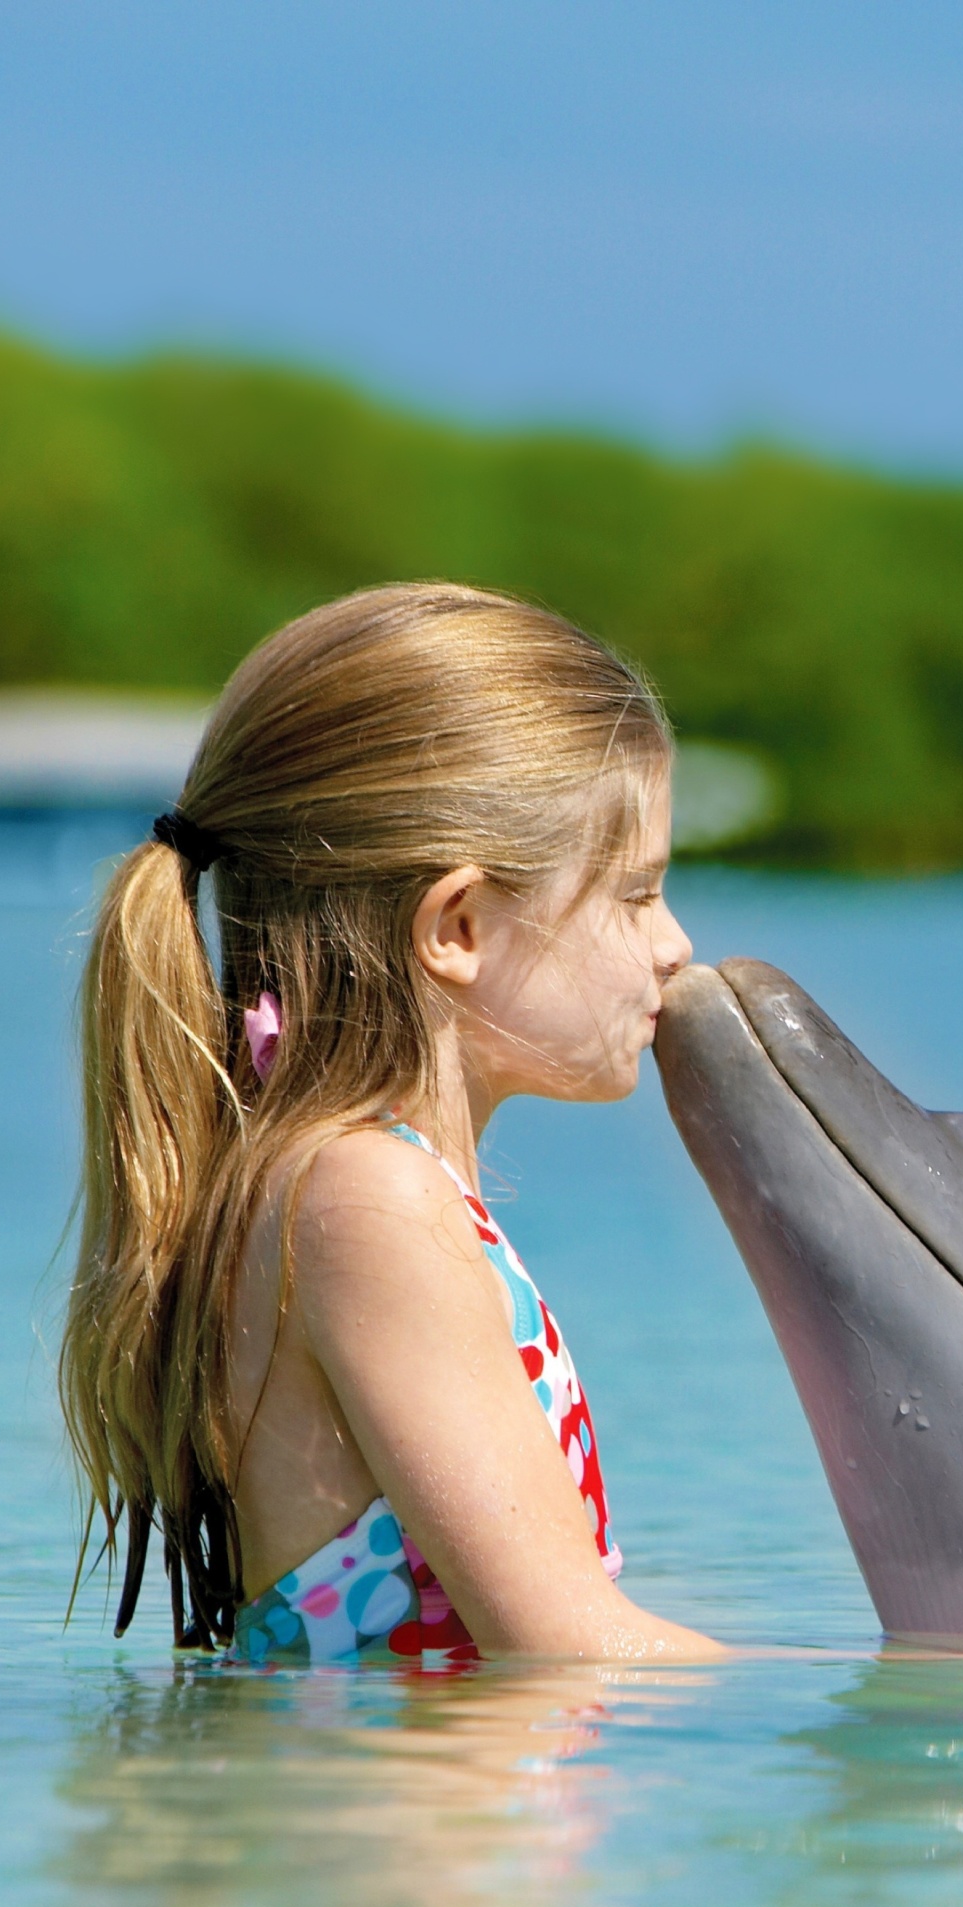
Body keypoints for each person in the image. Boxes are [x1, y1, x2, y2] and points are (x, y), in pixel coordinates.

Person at [60, 583, 720, 1665]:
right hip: (391, 1833)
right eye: (636, 894)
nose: (674, 944)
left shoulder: (339, 1182)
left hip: (415, 1827)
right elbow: (568, 1648)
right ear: (456, 925)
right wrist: (917, 1700)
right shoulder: (369, 1195)